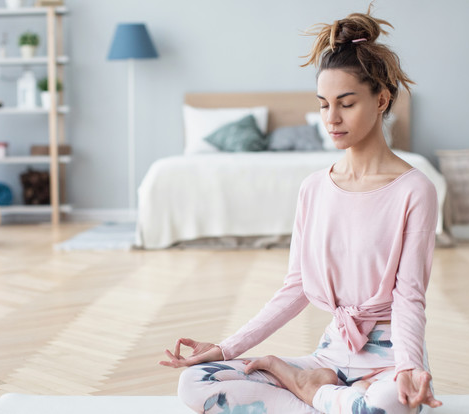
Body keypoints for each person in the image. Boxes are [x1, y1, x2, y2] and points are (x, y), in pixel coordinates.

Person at [159, 6, 444, 414]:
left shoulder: (415, 189)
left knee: (389, 405)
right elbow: (295, 289)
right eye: (324, 104)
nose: (332, 118)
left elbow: (410, 297)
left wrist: (410, 368)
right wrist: (225, 348)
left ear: (381, 99)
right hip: (330, 357)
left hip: (388, 359)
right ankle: (332, 399)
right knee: (195, 383)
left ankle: (306, 391)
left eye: (346, 104)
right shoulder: (313, 188)